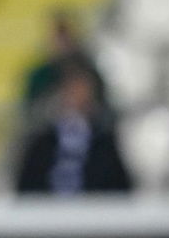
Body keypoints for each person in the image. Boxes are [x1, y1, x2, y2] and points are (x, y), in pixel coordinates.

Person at [14, 65, 132, 195]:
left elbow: (118, 186)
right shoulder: (42, 142)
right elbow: (27, 185)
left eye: (83, 91)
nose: (78, 97)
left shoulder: (104, 142)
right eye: (72, 91)